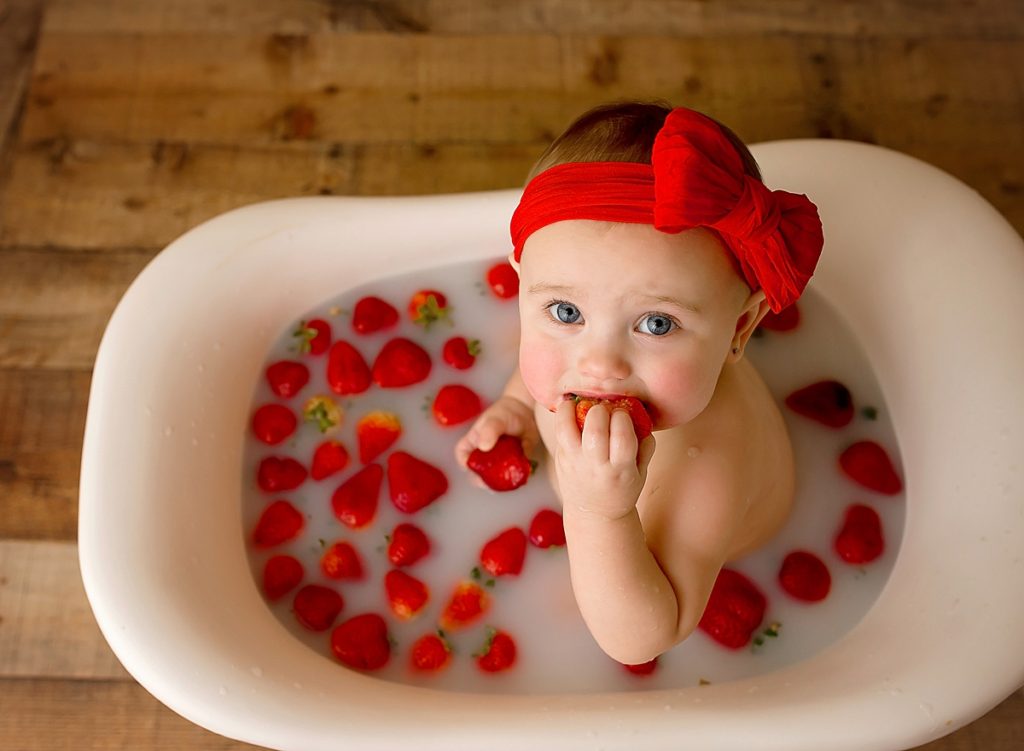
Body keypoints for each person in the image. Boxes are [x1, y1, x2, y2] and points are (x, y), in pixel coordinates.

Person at [455, 101, 824, 665]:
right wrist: (516, 406)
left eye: (657, 324)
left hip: (700, 557)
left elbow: (640, 640)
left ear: (740, 327)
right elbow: (546, 362)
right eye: (566, 312)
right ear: (523, 283)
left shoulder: (710, 458)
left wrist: (599, 513)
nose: (598, 363)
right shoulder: (582, 368)